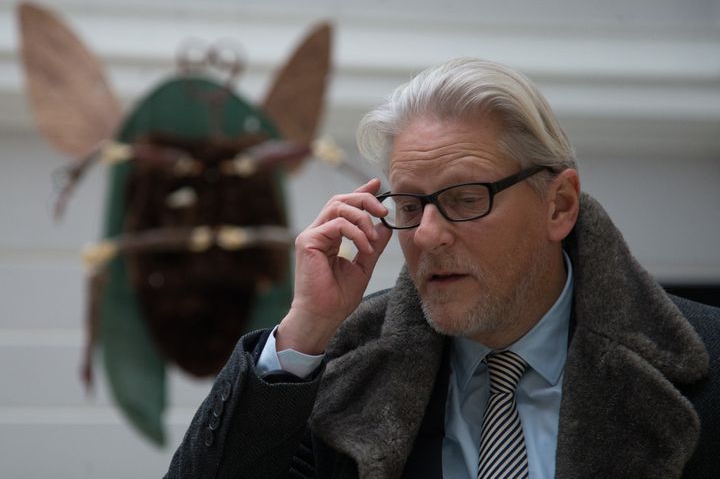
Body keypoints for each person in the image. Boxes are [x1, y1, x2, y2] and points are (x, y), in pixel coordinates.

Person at [165, 58, 719, 479]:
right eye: (409, 205)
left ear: (559, 206)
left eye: (466, 197)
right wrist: (306, 329)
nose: (427, 234)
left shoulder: (703, 362)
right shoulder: (344, 372)